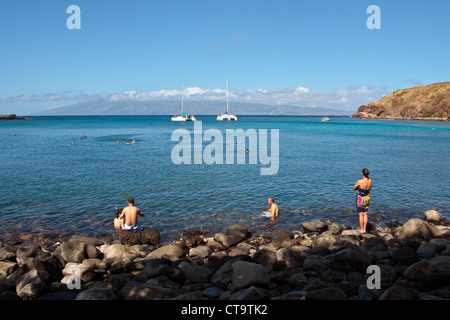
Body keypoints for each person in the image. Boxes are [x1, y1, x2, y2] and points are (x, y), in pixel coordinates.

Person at [353, 168, 372, 233]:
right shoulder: (370, 181)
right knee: (365, 213)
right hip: (367, 198)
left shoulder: (360, 181)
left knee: (361, 214)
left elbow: (354, 188)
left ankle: (362, 229)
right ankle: (365, 229)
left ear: (362, 173)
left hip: (360, 198)